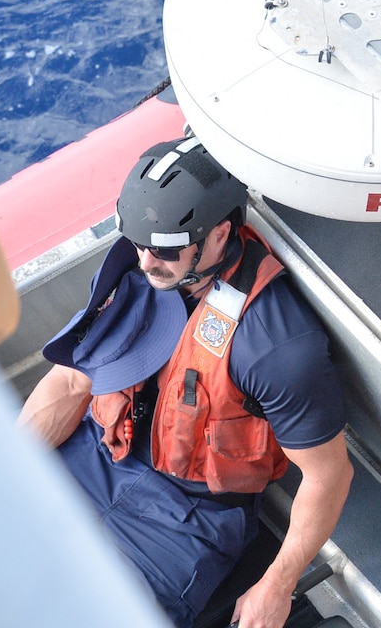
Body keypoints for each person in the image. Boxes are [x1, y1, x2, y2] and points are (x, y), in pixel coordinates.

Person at [20, 138, 353, 628]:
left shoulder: (277, 348)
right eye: (138, 244)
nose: (145, 262)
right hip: (94, 458)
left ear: (219, 234)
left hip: (185, 518)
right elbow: (71, 385)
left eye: (164, 250)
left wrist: (275, 586)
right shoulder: (137, 272)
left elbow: (329, 475)